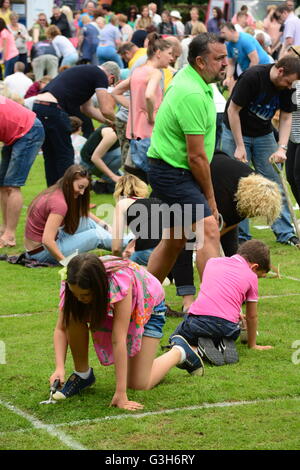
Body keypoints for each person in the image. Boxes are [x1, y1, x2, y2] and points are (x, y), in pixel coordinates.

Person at [50, 253, 204, 409]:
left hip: (148, 308)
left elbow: (119, 339)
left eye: (84, 295)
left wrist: (121, 393)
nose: (78, 299)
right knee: (73, 315)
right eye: (75, 294)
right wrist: (59, 368)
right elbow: (61, 328)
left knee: (139, 383)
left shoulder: (119, 283)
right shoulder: (73, 281)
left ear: (98, 287)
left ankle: (179, 352)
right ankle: (82, 375)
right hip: (112, 305)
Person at [146, 33, 227, 284]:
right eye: (219, 59)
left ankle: (143, 300)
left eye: (226, 57)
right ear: (200, 62)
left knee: (175, 239)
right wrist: (211, 200)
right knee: (208, 229)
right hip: (173, 172)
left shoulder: (195, 81)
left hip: (171, 169)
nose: (225, 63)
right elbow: (197, 157)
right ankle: (215, 312)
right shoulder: (191, 92)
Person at [169, 151, 282, 314]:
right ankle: (188, 301)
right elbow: (209, 232)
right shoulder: (227, 192)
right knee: (184, 243)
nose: (253, 215)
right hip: (189, 186)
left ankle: (231, 293)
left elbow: (229, 223)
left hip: (221, 190)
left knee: (232, 252)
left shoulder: (255, 189)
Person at [221, 56, 300, 246]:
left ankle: (286, 233)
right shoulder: (253, 77)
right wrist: (240, 146)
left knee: (274, 182)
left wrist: (281, 147)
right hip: (235, 132)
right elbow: (233, 111)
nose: (290, 87)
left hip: (263, 134)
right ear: (280, 71)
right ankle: (240, 236)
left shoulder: (289, 87)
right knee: (239, 184)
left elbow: (287, 117)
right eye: (289, 82)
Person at [170, 240, 273, 367]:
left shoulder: (212, 262)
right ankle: (220, 343)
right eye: (259, 275)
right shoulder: (251, 276)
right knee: (218, 329)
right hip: (230, 328)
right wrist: (252, 345)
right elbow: (252, 316)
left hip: (199, 322)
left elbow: (216, 290)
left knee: (176, 338)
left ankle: (197, 348)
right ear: (254, 267)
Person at [33, 62, 118, 187]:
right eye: (110, 85)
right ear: (111, 78)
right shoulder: (100, 74)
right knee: (65, 155)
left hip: (39, 106)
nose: (107, 86)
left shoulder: (86, 73)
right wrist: (119, 122)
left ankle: (52, 196)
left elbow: (87, 109)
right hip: (53, 108)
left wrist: (109, 123)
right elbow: (106, 109)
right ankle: (67, 196)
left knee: (50, 155)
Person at [112, 33, 173, 178]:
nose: (171, 58)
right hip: (150, 135)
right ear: (158, 53)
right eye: (169, 54)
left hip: (135, 135)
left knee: (134, 181)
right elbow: (149, 95)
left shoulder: (139, 71)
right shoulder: (155, 73)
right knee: (157, 179)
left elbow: (116, 92)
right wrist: (151, 116)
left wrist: (135, 108)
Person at [24, 165, 112, 265]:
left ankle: (123, 241)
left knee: (86, 221)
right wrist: (65, 262)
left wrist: (104, 224)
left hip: (39, 247)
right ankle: (127, 245)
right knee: (96, 236)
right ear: (68, 182)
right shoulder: (59, 203)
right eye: (80, 187)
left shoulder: (57, 191)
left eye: (84, 188)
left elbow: (83, 213)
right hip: (41, 253)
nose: (82, 192)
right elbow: (47, 240)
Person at [0, 96, 44, 248]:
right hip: (14, 134)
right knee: (3, 184)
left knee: (13, 184)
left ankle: (10, 235)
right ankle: (4, 228)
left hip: (29, 131)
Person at [112, 174, 162, 265]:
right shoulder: (156, 201)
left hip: (148, 252)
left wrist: (119, 262)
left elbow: (116, 248)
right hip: (171, 251)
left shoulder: (123, 203)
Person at [273, 45, 300, 207]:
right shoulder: (290, 82)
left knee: (298, 176)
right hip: (293, 136)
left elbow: (293, 104)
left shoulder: (294, 84)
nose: (287, 54)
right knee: (290, 176)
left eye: (291, 53)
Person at [220, 22, 272, 90]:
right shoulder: (229, 45)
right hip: (250, 71)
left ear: (231, 30)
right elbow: (231, 64)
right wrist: (228, 78)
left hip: (264, 70)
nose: (221, 35)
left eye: (223, 32)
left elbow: (255, 61)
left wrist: (246, 78)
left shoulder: (245, 39)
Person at [80, 125, 122, 193]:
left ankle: (97, 184)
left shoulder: (117, 131)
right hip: (89, 164)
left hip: (97, 162)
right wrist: (113, 176)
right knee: (123, 153)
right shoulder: (112, 134)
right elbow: (95, 158)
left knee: (127, 186)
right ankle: (103, 182)